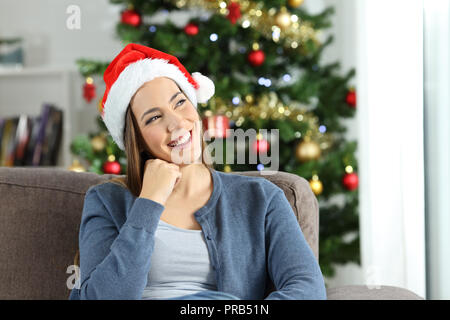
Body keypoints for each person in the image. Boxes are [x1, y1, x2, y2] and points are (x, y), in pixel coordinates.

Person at [68, 43, 327, 300]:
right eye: (153, 118)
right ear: (138, 140)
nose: (176, 122)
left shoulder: (262, 197)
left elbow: (307, 288)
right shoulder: (105, 200)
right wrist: (148, 203)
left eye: (179, 103)